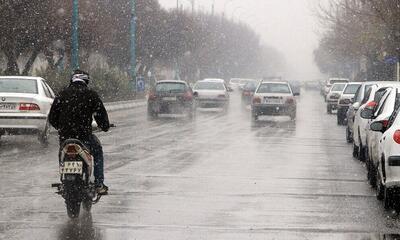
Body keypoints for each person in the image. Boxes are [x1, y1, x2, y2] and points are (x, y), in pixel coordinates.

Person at [49, 69, 110, 194]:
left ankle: (63, 179)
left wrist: (62, 128)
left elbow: (52, 118)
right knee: (97, 151)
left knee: (62, 155)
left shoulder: (62, 94)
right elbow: (101, 116)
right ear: (86, 81)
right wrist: (105, 126)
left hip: (65, 137)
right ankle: (99, 184)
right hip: (84, 136)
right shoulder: (91, 94)